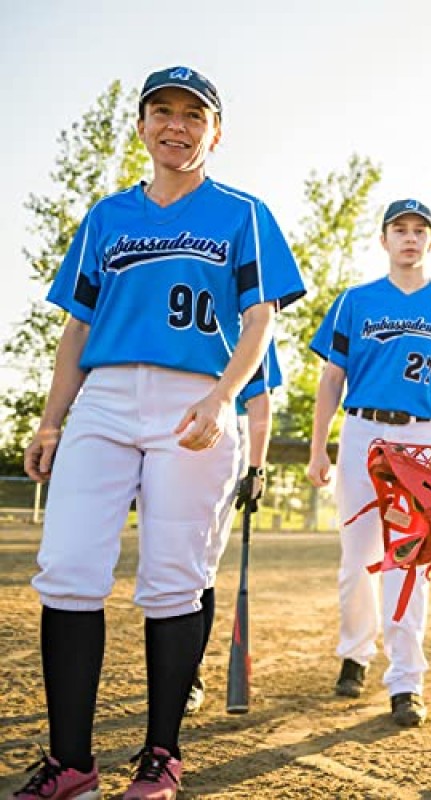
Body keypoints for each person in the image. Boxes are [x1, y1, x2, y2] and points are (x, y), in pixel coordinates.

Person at [11, 66, 305, 800]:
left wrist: (223, 396)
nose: (177, 125)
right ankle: (72, 763)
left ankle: (161, 756)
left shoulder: (242, 213)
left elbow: (262, 318)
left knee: (174, 580)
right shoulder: (107, 218)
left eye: (194, 115)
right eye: (162, 112)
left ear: (216, 131)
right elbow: (77, 324)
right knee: (68, 569)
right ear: (142, 126)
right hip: (104, 398)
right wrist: (51, 418)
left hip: (194, 400)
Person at [306, 198, 431, 727]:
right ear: (383, 240)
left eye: (419, 229)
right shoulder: (354, 302)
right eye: (399, 229)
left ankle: (406, 680)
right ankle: (354, 654)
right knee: (357, 559)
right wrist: (320, 447)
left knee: (409, 563)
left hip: (420, 441)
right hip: (362, 431)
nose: (409, 237)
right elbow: (331, 380)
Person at [185, 343, 282, 716]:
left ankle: (188, 673)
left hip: (223, 434)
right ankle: (177, 668)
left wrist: (256, 467)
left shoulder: (252, 325)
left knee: (199, 563)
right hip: (158, 423)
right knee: (164, 561)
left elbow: (259, 400)